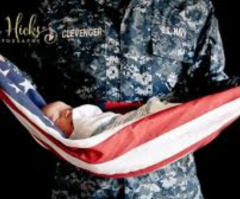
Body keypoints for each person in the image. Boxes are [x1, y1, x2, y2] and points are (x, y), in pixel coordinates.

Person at [25, 0, 240, 198]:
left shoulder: (192, 7)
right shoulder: (54, 8)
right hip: (84, 187)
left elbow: (212, 85)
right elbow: (29, 89)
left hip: (169, 187)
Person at [42, 99, 178, 139]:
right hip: (84, 184)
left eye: (53, 121)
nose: (51, 128)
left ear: (67, 114)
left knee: (156, 113)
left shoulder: (81, 116)